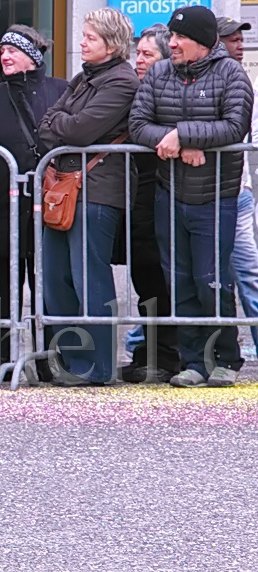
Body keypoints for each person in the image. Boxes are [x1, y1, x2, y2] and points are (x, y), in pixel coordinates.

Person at [129, 6, 253, 387]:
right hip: (170, 192)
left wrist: (184, 134)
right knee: (179, 281)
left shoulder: (231, 73)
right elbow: (138, 123)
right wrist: (174, 144)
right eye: (171, 36)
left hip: (216, 196)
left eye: (180, 37)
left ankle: (225, 359)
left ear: (202, 43)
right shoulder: (161, 73)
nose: (173, 43)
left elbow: (235, 125)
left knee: (211, 281)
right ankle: (193, 361)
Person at [38, 8, 139, 386]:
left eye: (90, 37)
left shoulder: (122, 82)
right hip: (66, 187)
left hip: (98, 188)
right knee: (56, 278)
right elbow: (47, 124)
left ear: (111, 45)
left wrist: (60, 126)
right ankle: (74, 362)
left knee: (89, 278)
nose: (81, 42)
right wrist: (61, 126)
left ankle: (98, 365)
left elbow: (78, 130)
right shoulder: (83, 77)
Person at [0, 25, 67, 383]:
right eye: (3, 51)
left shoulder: (61, 91)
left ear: (33, 54)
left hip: (47, 202)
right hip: (3, 202)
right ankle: (2, 356)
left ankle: (48, 358)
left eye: (13, 50)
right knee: (3, 282)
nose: (5, 56)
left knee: (45, 282)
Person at [120, 24, 179, 384]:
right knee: (144, 276)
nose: (139, 61)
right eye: (137, 54)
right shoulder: (136, 91)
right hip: (137, 193)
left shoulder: (169, 91)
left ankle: (167, 354)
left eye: (147, 54)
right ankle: (147, 351)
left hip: (166, 190)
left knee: (163, 277)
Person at [216, 16, 258, 354]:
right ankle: (142, 341)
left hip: (237, 193)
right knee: (195, 280)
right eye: (232, 39)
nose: (239, 44)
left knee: (248, 275)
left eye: (240, 39)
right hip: (200, 195)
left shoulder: (243, 83)